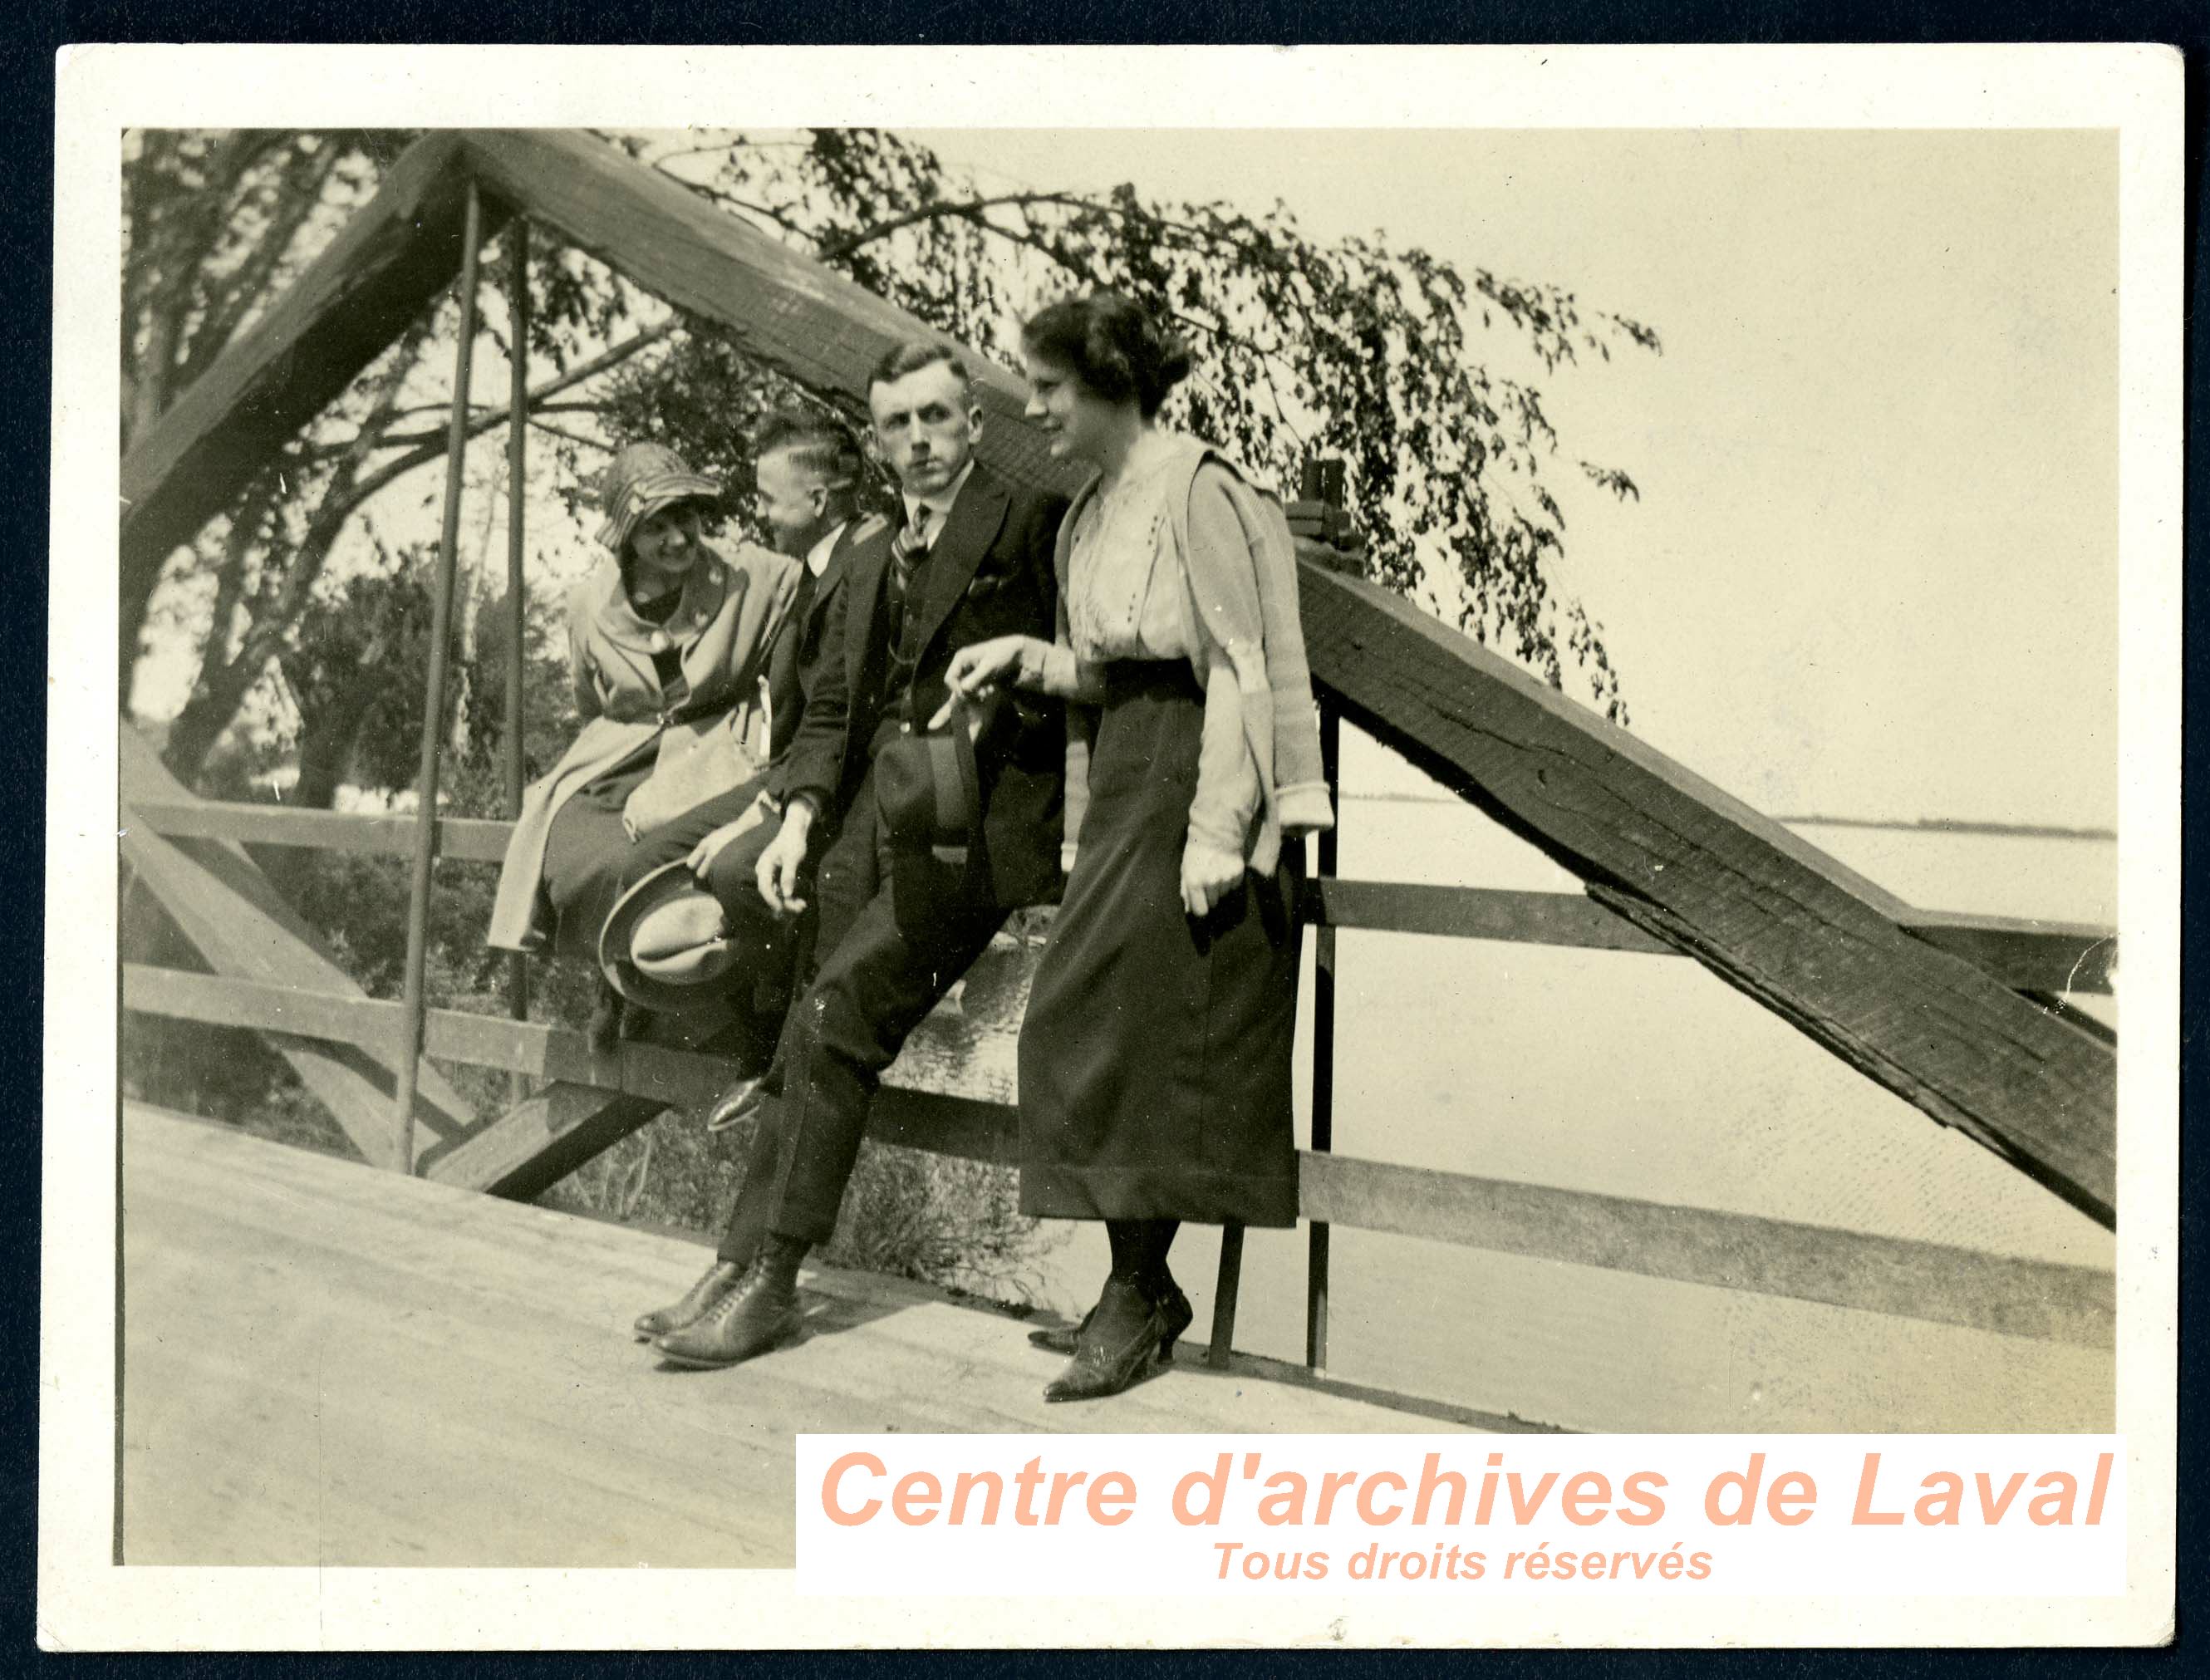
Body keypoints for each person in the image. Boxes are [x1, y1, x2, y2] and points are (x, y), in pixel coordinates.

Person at [638, 342, 1069, 1366]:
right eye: (896, 425)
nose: (919, 440)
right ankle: (737, 1260)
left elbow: (1095, 647)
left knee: (837, 1018)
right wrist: (792, 819)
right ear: (874, 443)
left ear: (973, 421)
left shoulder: (1030, 523)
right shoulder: (872, 558)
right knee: (804, 1027)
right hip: (866, 821)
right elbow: (831, 709)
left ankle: (775, 1279)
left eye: (936, 417)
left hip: (969, 834)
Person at [938, 292, 1333, 1402]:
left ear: (1111, 384)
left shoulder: (1199, 491)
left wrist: (1221, 829)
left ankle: (1136, 1293)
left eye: (1051, 387)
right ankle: (1140, 1289)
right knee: (1086, 1021)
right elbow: (1116, 664)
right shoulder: (1091, 512)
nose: (1032, 404)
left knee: (1126, 1024)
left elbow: (1241, 668)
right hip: (1124, 768)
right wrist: (1032, 652)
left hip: (1191, 774)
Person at [597, 411, 889, 1083]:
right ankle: (714, 1016)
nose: (758, 513)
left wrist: (764, 811)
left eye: (766, 498)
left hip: (831, 784)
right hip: (786, 769)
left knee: (733, 870)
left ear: (818, 500)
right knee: (651, 857)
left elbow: (841, 718)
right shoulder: (808, 569)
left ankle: (772, 1033)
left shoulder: (864, 567)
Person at [486, 443, 800, 1055]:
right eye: (657, 527)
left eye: (686, 518)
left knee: (661, 851)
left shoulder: (747, 574)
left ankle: (706, 993)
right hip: (619, 750)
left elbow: (824, 572)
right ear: (628, 536)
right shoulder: (589, 605)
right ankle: (618, 986)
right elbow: (589, 698)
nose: (679, 539)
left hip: (714, 746)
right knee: (574, 854)